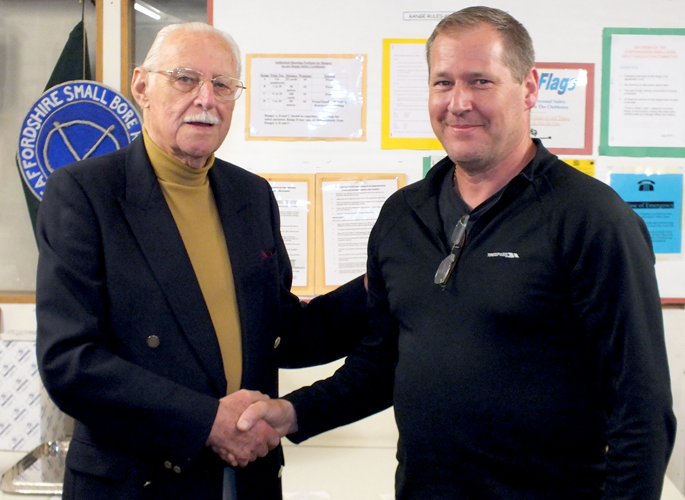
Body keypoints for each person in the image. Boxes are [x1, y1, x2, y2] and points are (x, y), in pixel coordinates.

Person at [237, 6, 676, 499]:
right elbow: (383, 364)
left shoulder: (593, 220)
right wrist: (294, 412)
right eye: (443, 83)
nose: (459, 102)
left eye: (480, 81)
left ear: (529, 88)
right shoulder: (403, 216)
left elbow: (642, 413)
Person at [35, 22, 369, 500]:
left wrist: (379, 284)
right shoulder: (85, 194)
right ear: (141, 85)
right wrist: (207, 421)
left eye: (223, 85)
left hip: (246, 478)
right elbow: (70, 362)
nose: (206, 99)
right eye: (185, 78)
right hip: (139, 481)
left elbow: (282, 331)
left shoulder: (251, 195)